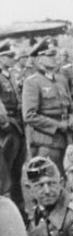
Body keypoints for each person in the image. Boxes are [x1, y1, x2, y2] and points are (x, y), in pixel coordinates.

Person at [21, 40, 73, 172]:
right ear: (39, 59)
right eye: (50, 55)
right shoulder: (32, 82)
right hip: (46, 141)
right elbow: (29, 116)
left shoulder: (61, 80)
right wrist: (57, 126)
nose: (55, 58)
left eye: (55, 54)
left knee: (63, 178)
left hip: (65, 139)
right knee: (47, 177)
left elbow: (69, 108)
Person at [0, 43, 27, 215]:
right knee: (4, 171)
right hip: (5, 128)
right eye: (8, 57)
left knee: (17, 170)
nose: (12, 60)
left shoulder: (12, 75)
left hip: (18, 126)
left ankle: (19, 209)